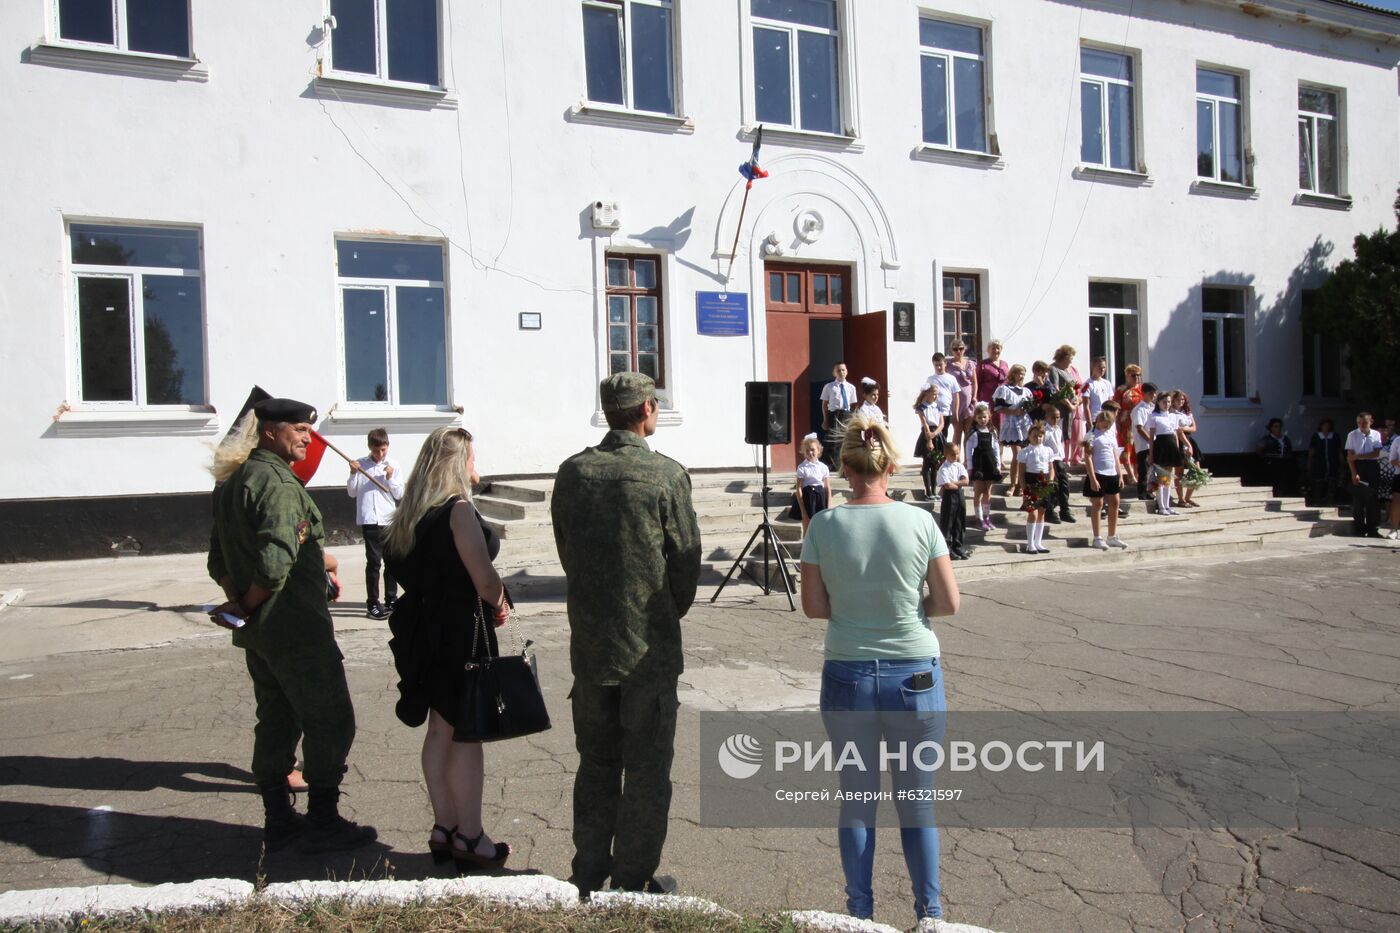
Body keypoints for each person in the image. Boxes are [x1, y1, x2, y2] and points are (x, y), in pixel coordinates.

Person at [799, 413, 960, 926]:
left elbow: (814, 608)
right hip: (913, 668)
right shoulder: (919, 521)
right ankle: (929, 912)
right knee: (917, 804)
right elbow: (948, 603)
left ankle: (860, 912)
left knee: (858, 800)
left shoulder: (824, 524)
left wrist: (856, 609)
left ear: (843, 467)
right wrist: (906, 611)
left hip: (848, 669)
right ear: (890, 464)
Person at [551, 372, 702, 898]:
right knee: (645, 771)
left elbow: (567, 550)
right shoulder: (664, 476)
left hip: (592, 649)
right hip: (647, 652)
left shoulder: (574, 474)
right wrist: (662, 612)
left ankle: (588, 873)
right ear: (645, 409)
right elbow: (685, 561)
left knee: (596, 764)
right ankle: (631, 881)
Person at [206, 397, 376, 854]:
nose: (307, 437)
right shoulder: (278, 483)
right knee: (331, 720)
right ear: (269, 432)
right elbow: (276, 562)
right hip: (295, 628)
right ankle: (323, 820)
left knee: (276, 721)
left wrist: (240, 604)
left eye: (308, 429)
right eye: (299, 429)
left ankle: (278, 819)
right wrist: (252, 600)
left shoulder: (233, 481)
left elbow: (217, 558)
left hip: (260, 632)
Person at [382, 426, 513, 871]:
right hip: (460, 633)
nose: (477, 466)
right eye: (472, 458)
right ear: (458, 464)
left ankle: (444, 827)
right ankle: (471, 836)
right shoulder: (457, 511)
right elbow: (483, 576)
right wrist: (500, 601)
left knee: (439, 730)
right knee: (465, 733)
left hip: (423, 632)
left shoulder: (411, 514)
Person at [348, 428, 404, 620]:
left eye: (383, 450)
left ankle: (391, 599)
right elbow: (352, 492)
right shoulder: (361, 464)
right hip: (369, 520)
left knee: (391, 561)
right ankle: (372, 602)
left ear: (387, 446)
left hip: (387, 519)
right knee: (373, 562)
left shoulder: (394, 465)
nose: (380, 454)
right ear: (370, 447)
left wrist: (389, 478)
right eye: (376, 450)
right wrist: (353, 473)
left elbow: (399, 494)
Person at [1083, 411, 1128, 550]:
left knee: (1115, 502)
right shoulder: (1091, 435)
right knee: (1098, 504)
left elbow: (1115, 455)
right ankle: (1097, 537)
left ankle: (1112, 536)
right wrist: (1093, 479)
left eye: (1110, 424)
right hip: (1098, 473)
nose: (1107, 426)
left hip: (1111, 473)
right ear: (1099, 420)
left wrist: (1120, 474)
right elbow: (1088, 457)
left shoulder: (1111, 435)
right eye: (1105, 423)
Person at [991, 365, 1032, 497]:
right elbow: (998, 408)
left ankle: (1021, 484)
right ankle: (1013, 484)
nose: (1021, 376)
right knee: (1017, 454)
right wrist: (1013, 411)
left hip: (1024, 423)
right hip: (1012, 423)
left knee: (1024, 455)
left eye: (1023, 374)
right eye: (1019, 373)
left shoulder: (1026, 391)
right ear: (1013, 374)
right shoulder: (1004, 389)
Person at [1018, 422, 1055, 554]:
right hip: (1031, 482)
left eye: (1040, 436)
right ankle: (1030, 543)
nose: (1038, 438)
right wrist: (1024, 487)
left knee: (1041, 512)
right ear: (1029, 436)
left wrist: (1050, 481)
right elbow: (1021, 472)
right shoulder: (1025, 452)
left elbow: (1051, 468)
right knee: (1032, 513)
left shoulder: (1048, 450)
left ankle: (1038, 542)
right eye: (1035, 436)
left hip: (1044, 481)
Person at [1147, 392, 1187, 516]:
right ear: (1158, 402)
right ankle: (1161, 506)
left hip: (1171, 446)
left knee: (1168, 477)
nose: (1167, 404)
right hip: (1161, 446)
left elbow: (1175, 434)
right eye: (1164, 402)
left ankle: (1168, 506)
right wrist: (1151, 453)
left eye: (1169, 402)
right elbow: (1152, 436)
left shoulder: (1173, 416)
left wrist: (1177, 448)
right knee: (1161, 478)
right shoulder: (1154, 416)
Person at [1346, 412, 1384, 538]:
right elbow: (1350, 457)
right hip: (1359, 466)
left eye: (1364, 423)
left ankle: (1373, 528)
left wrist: (1358, 456)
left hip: (1372, 466)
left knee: (1373, 498)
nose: (1362, 425)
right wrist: (1354, 473)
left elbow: (1376, 453)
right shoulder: (1352, 435)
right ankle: (1360, 528)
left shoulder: (1376, 434)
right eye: (1359, 423)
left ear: (1370, 422)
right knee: (1358, 499)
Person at [964, 402, 1001, 533]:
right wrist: (970, 466)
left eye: (984, 417)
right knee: (978, 491)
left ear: (989, 417)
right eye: (979, 417)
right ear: (975, 418)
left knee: (988, 492)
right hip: (979, 463)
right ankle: (978, 518)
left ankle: (986, 517)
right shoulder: (973, 433)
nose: (982, 420)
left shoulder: (992, 431)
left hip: (989, 463)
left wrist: (998, 464)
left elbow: (996, 448)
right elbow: (968, 449)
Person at [1049, 345, 1084, 464]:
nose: (1071, 362)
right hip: (1060, 407)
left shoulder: (1066, 370)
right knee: (1059, 434)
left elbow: (1073, 387)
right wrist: (1069, 404)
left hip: (1070, 408)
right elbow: (1056, 389)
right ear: (1063, 357)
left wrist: (1077, 400)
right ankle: (1059, 461)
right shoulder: (1053, 369)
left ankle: (1066, 460)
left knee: (1067, 434)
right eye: (1070, 359)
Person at [1040, 404, 1074, 525]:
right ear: (1047, 417)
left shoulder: (1058, 430)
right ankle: (1049, 512)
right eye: (1053, 417)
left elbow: (1059, 445)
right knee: (1052, 486)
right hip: (1049, 460)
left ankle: (1064, 510)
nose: (1056, 420)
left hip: (1059, 460)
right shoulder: (1044, 431)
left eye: (1058, 417)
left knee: (1064, 485)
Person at [935, 443, 970, 560]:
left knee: (960, 521)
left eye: (957, 453)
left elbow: (966, 481)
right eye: (952, 454)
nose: (955, 456)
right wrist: (956, 484)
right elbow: (948, 486)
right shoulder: (943, 468)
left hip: (959, 495)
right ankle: (948, 548)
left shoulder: (959, 466)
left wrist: (954, 483)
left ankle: (958, 546)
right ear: (946, 454)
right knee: (948, 522)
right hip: (949, 497)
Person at [1114, 364, 1145, 490]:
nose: (1137, 378)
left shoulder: (1143, 389)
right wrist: (1116, 424)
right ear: (1128, 376)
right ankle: (1131, 476)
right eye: (1134, 375)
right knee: (1127, 449)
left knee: (1138, 450)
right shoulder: (1121, 390)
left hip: (1140, 422)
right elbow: (1116, 407)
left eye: (1138, 375)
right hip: (1126, 422)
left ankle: (1137, 475)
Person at [820, 362, 857, 468]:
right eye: (838, 370)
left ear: (846, 371)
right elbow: (824, 404)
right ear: (834, 373)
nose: (841, 372)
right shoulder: (829, 387)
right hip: (834, 414)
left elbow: (852, 405)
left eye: (843, 370)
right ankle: (831, 464)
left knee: (845, 439)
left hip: (846, 414)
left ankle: (843, 464)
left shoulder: (851, 387)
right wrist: (825, 419)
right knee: (832, 440)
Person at [795, 433, 832, 536]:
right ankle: (806, 547)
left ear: (818, 451)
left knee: (822, 526)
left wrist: (828, 506)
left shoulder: (823, 467)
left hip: (820, 497)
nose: (810, 453)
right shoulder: (802, 467)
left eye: (813, 450)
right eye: (807, 451)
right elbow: (798, 488)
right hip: (808, 498)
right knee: (807, 524)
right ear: (804, 453)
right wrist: (803, 510)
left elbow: (827, 487)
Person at [913, 385, 944, 500]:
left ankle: (934, 490)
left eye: (936, 394)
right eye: (933, 394)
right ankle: (928, 491)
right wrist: (929, 440)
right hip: (927, 434)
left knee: (935, 463)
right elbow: (925, 424)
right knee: (927, 463)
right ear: (927, 394)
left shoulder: (938, 407)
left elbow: (941, 423)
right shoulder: (922, 408)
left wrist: (935, 433)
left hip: (936, 434)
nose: (935, 396)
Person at [945, 340, 977, 447]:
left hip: (969, 401)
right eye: (955, 349)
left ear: (964, 349)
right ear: (951, 350)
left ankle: (967, 460)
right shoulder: (948, 365)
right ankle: (956, 459)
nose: (958, 351)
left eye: (961, 348)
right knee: (957, 432)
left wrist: (974, 396)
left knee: (968, 432)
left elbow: (974, 382)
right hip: (956, 402)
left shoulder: (970, 363)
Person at [976, 340, 1010, 436]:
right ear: (988, 350)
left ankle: (1000, 449)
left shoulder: (1004, 364)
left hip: (1003, 398)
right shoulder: (983, 364)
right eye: (993, 348)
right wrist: (978, 400)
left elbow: (1009, 380)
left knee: (1002, 425)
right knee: (989, 422)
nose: (996, 350)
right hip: (988, 398)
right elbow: (977, 382)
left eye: (998, 348)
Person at [1306, 418, 1342, 507]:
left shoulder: (1335, 436)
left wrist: (1342, 460)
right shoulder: (1316, 436)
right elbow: (1312, 450)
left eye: (1328, 425)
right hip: (1319, 462)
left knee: (1332, 482)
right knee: (1318, 482)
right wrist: (1309, 462)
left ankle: (1330, 501)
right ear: (1321, 426)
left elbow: (1339, 449)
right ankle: (1316, 501)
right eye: (1324, 425)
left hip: (1332, 461)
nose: (1326, 427)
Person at [1131, 384, 1158, 501]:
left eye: (1154, 393)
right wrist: (1151, 441)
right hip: (1144, 444)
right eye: (1150, 393)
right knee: (1144, 469)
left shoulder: (1152, 407)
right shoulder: (1139, 409)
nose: (1154, 396)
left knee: (1152, 470)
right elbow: (1140, 428)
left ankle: (1150, 491)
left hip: (1153, 443)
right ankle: (1142, 493)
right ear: (1144, 394)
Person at [1256, 418, 1294, 497]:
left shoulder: (1285, 438)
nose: (1278, 429)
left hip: (1284, 463)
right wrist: (1267, 459)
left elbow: (1289, 450)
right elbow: (1259, 450)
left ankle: (1282, 494)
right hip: (1272, 463)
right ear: (1271, 428)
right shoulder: (1267, 439)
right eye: (1275, 426)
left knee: (1283, 480)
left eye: (1279, 427)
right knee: (1273, 481)